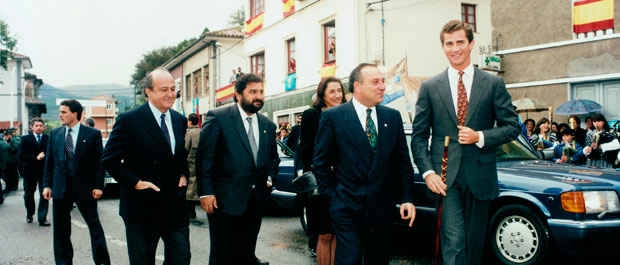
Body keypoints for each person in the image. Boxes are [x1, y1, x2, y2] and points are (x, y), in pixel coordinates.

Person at [410, 20, 520, 265]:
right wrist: (428, 173)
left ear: (471, 44)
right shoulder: (430, 87)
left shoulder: (493, 84)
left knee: (475, 243)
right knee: (454, 240)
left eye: (460, 42)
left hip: (481, 175)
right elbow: (418, 137)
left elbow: (512, 126)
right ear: (443, 48)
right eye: (449, 44)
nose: (455, 48)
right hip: (445, 178)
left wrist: (480, 137)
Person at [313, 63, 416, 265]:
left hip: (382, 209)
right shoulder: (333, 117)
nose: (382, 87)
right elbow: (320, 163)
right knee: (349, 259)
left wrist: (406, 198)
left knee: (378, 259)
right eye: (375, 82)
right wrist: (334, 199)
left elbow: (403, 162)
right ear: (357, 86)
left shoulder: (392, 117)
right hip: (346, 208)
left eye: (383, 81)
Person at [102, 68, 190, 265]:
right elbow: (109, 159)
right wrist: (136, 182)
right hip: (141, 206)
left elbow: (179, 155)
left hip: (174, 204)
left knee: (181, 257)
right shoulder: (129, 120)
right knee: (143, 260)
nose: (170, 94)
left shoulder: (178, 120)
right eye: (163, 89)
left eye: (173, 89)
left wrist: (183, 174)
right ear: (148, 92)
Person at [197, 73, 278, 265]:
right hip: (224, 200)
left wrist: (269, 177)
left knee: (246, 252)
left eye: (261, 92)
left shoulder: (267, 125)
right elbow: (205, 158)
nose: (258, 96)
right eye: (252, 92)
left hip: (255, 200)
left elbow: (272, 159)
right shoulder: (219, 118)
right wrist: (206, 192)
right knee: (222, 255)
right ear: (238, 94)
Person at [42, 99, 111, 265]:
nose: (60, 115)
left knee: (95, 228)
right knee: (60, 231)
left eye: (64, 112)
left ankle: (102, 261)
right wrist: (47, 185)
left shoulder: (92, 134)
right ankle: (63, 262)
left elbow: (99, 163)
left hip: (85, 189)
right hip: (60, 189)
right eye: (60, 112)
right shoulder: (55, 134)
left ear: (75, 114)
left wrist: (98, 186)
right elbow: (49, 163)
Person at [298, 77, 346, 263]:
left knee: (337, 234)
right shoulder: (312, 115)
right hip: (322, 182)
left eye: (339, 90)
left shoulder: (346, 114)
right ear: (322, 94)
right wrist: (326, 166)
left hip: (344, 182)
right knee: (324, 234)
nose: (337, 95)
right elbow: (306, 150)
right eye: (332, 91)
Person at [19, 117, 50, 226]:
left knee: (44, 194)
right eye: (36, 125)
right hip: (29, 171)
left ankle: (42, 218)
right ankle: (29, 213)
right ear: (32, 127)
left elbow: (51, 155)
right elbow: (22, 155)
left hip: (44, 172)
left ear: (44, 127)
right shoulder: (25, 139)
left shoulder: (48, 138)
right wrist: (35, 157)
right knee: (28, 195)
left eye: (41, 126)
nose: (38, 127)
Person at [185, 113, 202, 225]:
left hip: (190, 163)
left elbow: (185, 147)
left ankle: (191, 212)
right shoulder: (202, 132)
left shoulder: (189, 133)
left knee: (190, 188)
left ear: (190, 122)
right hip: (201, 163)